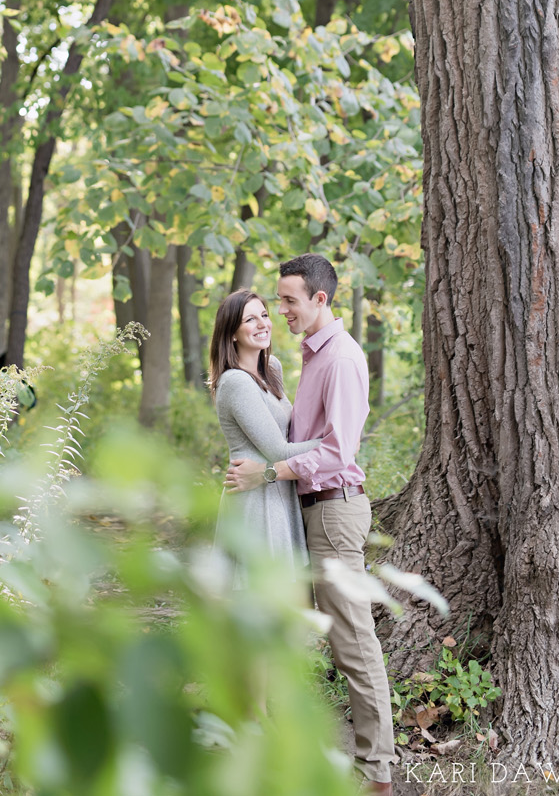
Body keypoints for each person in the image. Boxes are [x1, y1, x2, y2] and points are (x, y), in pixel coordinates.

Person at [224, 254, 395, 795]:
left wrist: (270, 470)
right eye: (276, 301)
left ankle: (375, 772)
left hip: (335, 509)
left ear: (320, 299)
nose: (281, 311)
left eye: (288, 301)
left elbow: (340, 450)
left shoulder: (340, 359)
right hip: (304, 513)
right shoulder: (303, 358)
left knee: (351, 639)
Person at [210, 289, 322, 579]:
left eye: (264, 315)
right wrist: (334, 445)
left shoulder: (271, 368)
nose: (262, 324)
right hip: (255, 498)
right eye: (250, 319)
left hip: (279, 489)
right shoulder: (235, 381)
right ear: (232, 333)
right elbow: (279, 450)